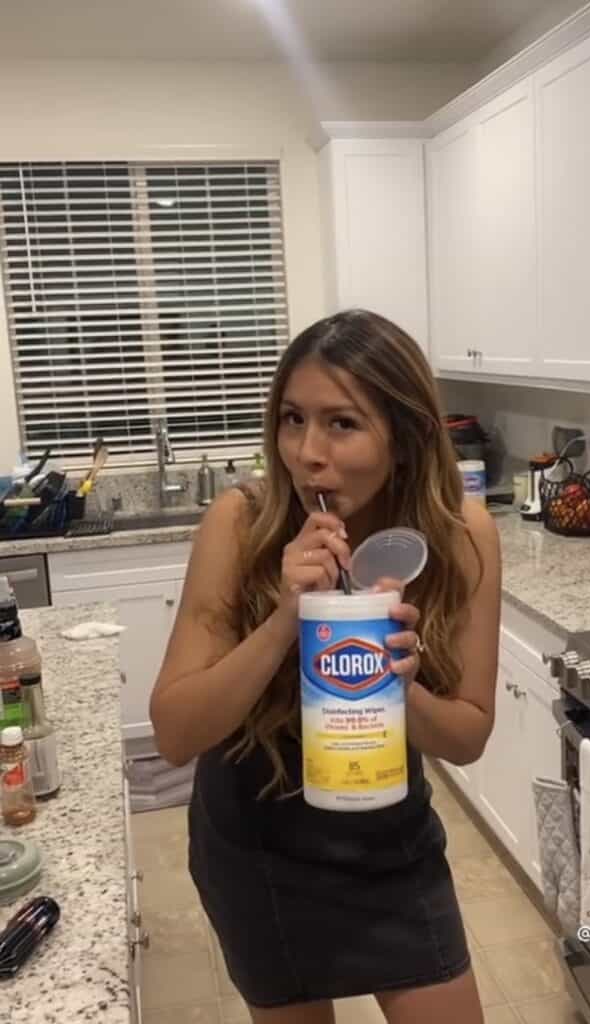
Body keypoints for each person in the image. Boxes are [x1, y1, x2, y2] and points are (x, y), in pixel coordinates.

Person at [150, 309, 501, 1024]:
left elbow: (466, 738)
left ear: (407, 438)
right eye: (291, 419)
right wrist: (286, 619)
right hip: (258, 849)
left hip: (389, 845)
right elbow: (174, 732)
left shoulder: (462, 535)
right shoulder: (240, 522)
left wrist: (402, 687)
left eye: (342, 423)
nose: (307, 452)